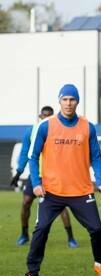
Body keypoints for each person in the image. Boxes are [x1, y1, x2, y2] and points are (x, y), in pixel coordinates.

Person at [19, 84, 101, 276]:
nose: (69, 103)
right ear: (59, 101)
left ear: (77, 101)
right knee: (41, 229)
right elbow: (33, 157)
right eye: (65, 99)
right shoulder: (46, 126)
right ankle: (32, 274)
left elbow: (96, 157)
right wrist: (36, 183)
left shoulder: (87, 127)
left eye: (72, 99)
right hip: (51, 191)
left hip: (81, 191)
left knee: (97, 230)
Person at [10, 105, 78, 248]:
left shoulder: (60, 131)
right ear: (40, 116)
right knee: (26, 202)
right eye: (44, 116)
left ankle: (71, 238)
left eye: (49, 116)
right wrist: (18, 173)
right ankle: (24, 234)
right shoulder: (31, 131)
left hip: (53, 176)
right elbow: (25, 153)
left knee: (60, 207)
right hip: (35, 175)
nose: (46, 118)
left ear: (53, 116)